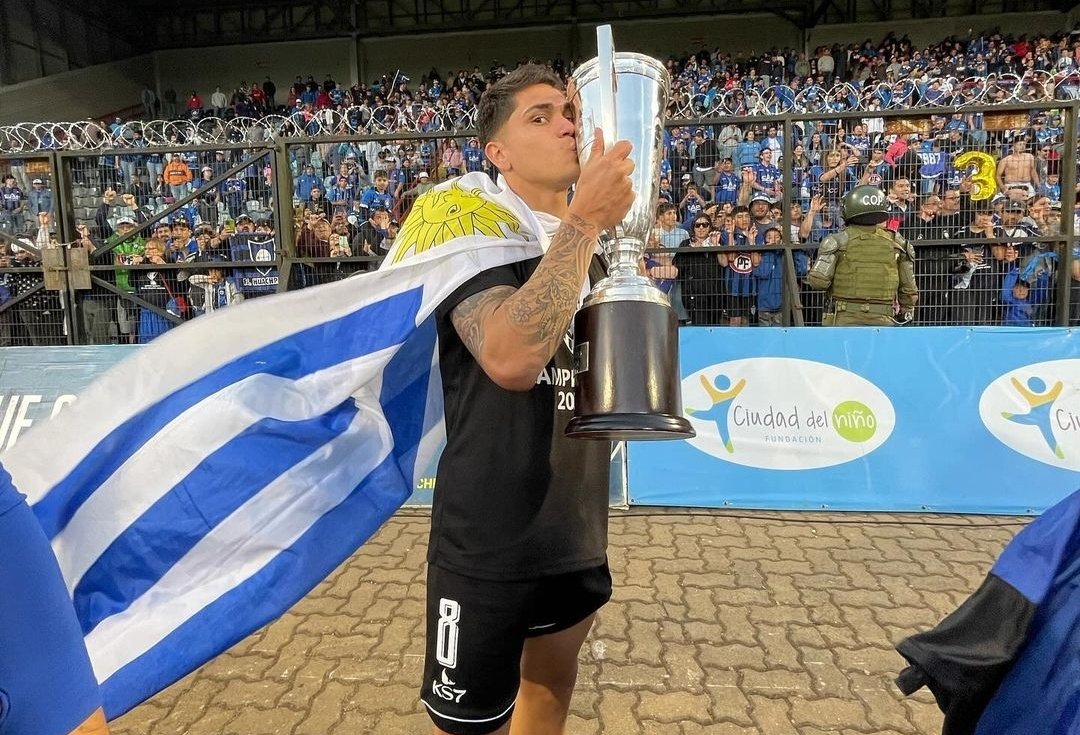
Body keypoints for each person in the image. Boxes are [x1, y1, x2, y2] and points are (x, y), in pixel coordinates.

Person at [416, 64, 633, 735]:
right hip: (487, 541)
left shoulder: (592, 248)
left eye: (567, 112)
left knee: (550, 690)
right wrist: (585, 221)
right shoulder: (463, 231)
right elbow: (511, 357)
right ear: (497, 152)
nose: (568, 124)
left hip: (573, 529)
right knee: (472, 725)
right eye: (540, 116)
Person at [806, 185, 918, 325]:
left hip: (845, 318)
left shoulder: (837, 241)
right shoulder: (897, 242)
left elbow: (818, 282)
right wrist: (906, 311)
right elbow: (909, 290)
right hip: (884, 319)